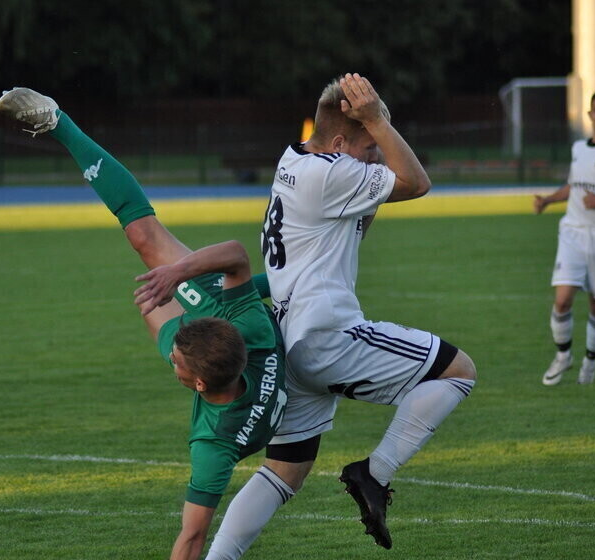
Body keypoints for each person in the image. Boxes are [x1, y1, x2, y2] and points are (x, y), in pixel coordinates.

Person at [0, 87, 287, 560]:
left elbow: (192, 539)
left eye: (175, 358)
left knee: (148, 302)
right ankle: (58, 122)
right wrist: (178, 273)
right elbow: (235, 253)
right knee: (145, 239)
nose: (171, 356)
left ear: (194, 381)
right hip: (231, 322)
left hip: (239, 351)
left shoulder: (219, 431)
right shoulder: (245, 341)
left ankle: (285, 281)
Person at [202, 74, 477, 557]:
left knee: (286, 469)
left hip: (290, 339)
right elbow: (416, 182)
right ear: (337, 142)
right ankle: (374, 472)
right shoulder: (330, 172)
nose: (377, 157)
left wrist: (373, 132)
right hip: (328, 332)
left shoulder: (294, 160)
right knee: (459, 372)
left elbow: (357, 223)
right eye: (371, 147)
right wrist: (374, 120)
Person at [534, 88, 595, 386]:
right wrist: (548, 200)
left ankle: (590, 363)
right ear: (590, 115)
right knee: (563, 299)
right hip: (573, 232)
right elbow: (573, 185)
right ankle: (563, 355)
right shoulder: (578, 148)